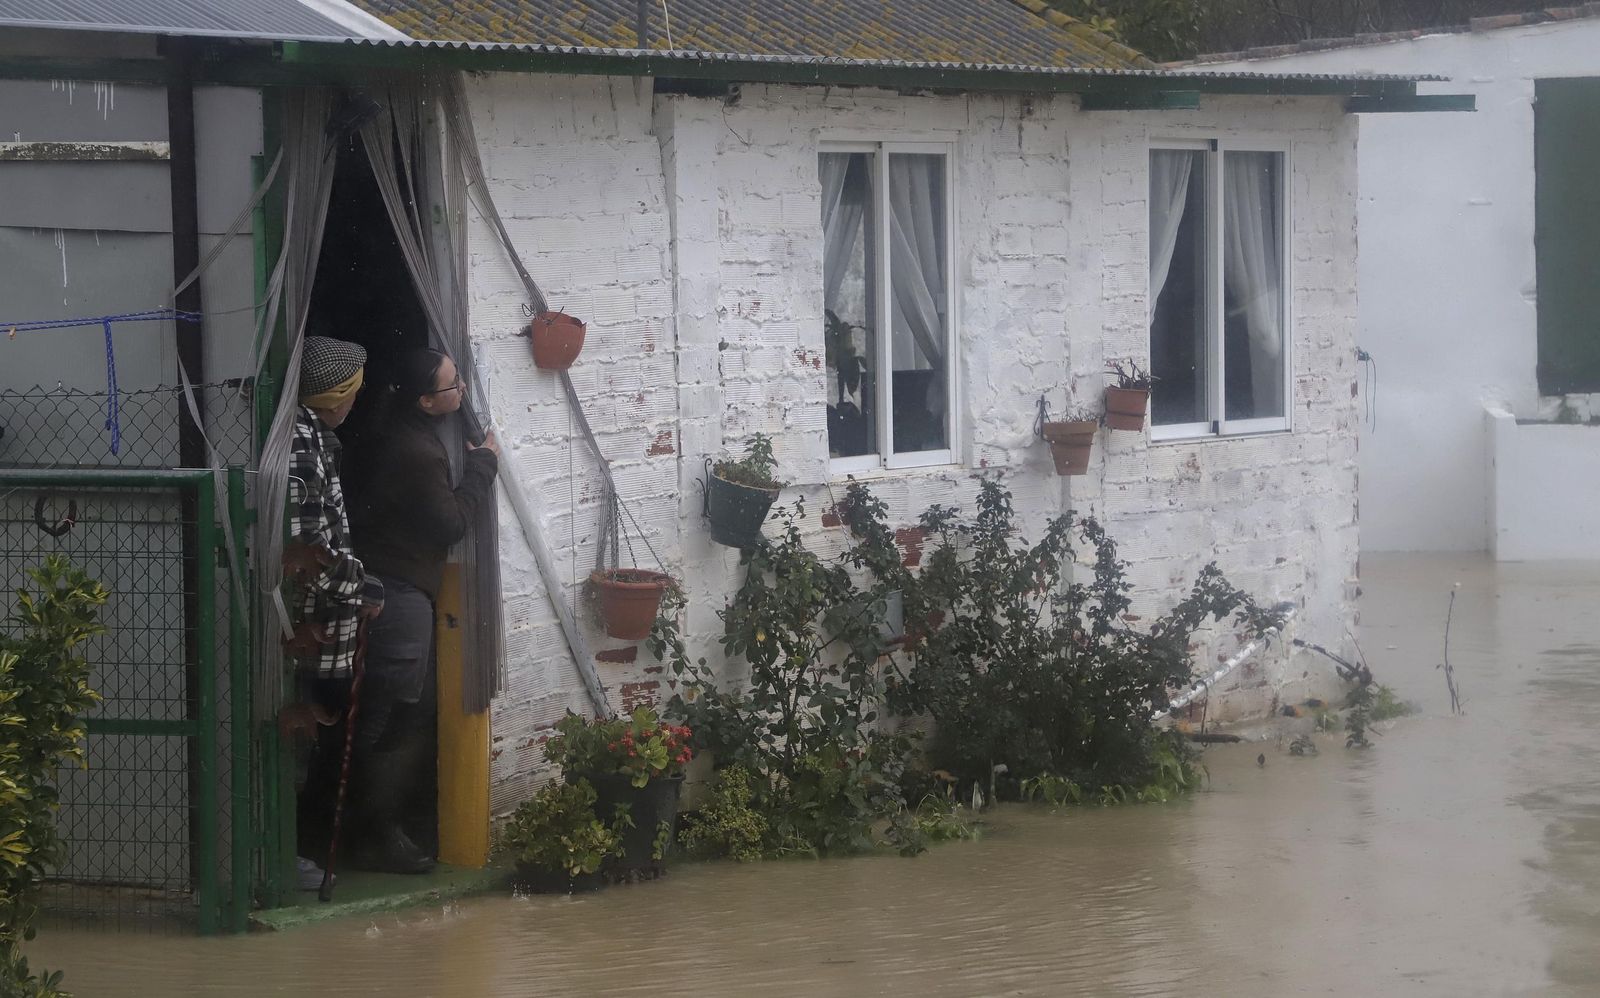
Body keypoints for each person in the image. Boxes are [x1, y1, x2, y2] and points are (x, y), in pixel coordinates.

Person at [344, 348, 499, 874]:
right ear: (427, 401)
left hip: (391, 583)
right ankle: (375, 834)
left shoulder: (402, 431)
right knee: (390, 712)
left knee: (388, 710)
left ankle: (372, 828)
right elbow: (451, 523)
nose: (462, 393)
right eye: (454, 387)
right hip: (399, 588)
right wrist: (482, 465)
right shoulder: (414, 450)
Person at [281, 336, 384, 890]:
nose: (357, 403)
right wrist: (359, 586)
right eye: (354, 392)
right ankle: (281, 855)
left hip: (319, 616)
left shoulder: (316, 437)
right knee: (296, 725)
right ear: (337, 394)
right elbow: (303, 549)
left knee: (307, 725)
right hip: (303, 621)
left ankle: (291, 849)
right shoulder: (301, 445)